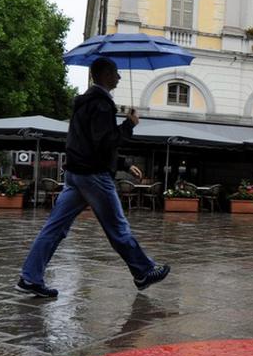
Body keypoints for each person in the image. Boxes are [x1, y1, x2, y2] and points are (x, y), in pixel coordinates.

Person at [17, 57, 170, 299]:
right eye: (115, 72)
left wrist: (124, 164)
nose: (119, 77)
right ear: (106, 75)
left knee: (55, 227)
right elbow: (104, 143)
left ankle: (30, 276)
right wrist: (129, 125)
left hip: (76, 174)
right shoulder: (101, 104)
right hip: (94, 176)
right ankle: (143, 271)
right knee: (117, 227)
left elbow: (88, 143)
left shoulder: (83, 103)